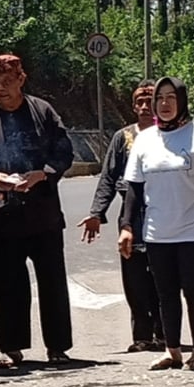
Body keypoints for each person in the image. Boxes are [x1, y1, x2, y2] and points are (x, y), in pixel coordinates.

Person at [117, 77, 194, 371]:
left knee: (193, 288)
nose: (165, 104)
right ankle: (173, 351)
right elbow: (134, 188)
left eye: (171, 97)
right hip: (158, 229)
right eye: (160, 98)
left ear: (182, 101)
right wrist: (127, 226)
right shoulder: (145, 139)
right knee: (165, 292)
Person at [0, 53, 77, 367]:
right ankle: (12, 347)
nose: (1, 88)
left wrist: (43, 173)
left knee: (52, 283)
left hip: (43, 215)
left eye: (7, 81)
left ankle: (57, 346)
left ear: (21, 79)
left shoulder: (42, 111)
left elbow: (64, 150)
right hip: (4, 219)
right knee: (7, 285)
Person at [83, 80, 166, 352]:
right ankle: (141, 335)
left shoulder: (172, 135)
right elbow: (108, 178)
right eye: (139, 102)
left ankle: (164, 333)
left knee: (162, 276)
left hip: (167, 216)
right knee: (134, 280)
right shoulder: (124, 138)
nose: (144, 107)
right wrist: (97, 213)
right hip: (131, 217)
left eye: (149, 101)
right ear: (133, 107)